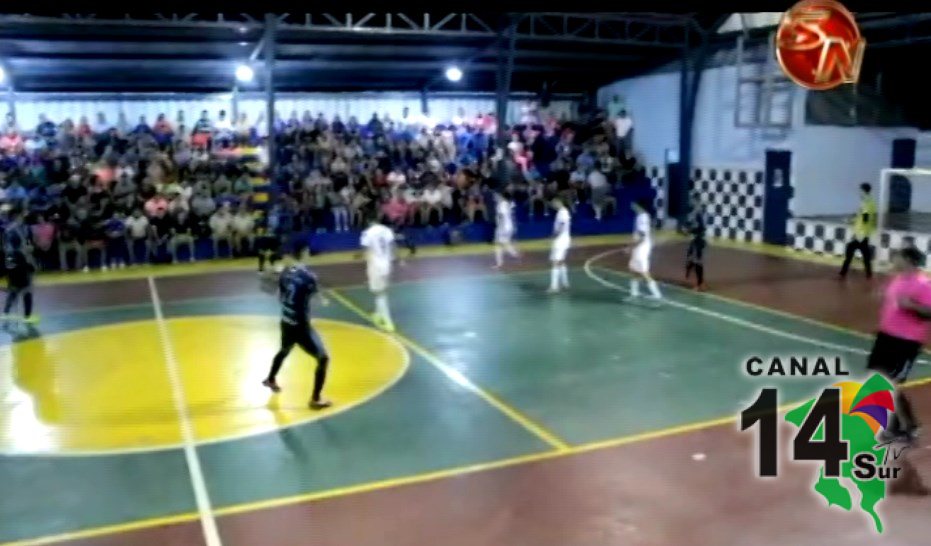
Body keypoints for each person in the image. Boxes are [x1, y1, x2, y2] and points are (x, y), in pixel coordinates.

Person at [870, 246, 931, 444]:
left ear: (908, 260)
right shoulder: (897, 280)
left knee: (893, 383)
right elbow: (892, 305)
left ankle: (907, 426)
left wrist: (912, 306)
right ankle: (897, 427)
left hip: (906, 342)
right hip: (886, 337)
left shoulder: (924, 284)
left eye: (898, 257)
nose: (894, 259)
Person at [262, 246, 332, 410]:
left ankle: (270, 379)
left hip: (286, 321)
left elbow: (280, 296)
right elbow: (312, 299)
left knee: (285, 349)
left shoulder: (285, 272)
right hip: (301, 326)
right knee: (323, 358)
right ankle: (315, 399)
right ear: (305, 254)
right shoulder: (309, 278)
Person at [360, 214, 396, 332]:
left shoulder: (367, 233)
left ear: (369, 221)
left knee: (380, 293)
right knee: (381, 291)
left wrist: (368, 268)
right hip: (387, 263)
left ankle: (387, 321)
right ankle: (378, 314)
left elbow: (366, 251)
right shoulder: (387, 230)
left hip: (375, 265)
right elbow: (392, 246)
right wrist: (392, 260)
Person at [2, 207, 38, 323]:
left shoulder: (10, 229)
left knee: (15, 287)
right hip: (20, 260)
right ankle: (27, 316)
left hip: (11, 260)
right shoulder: (17, 230)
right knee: (27, 287)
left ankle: (6, 312)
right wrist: (29, 257)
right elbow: (23, 247)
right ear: (17, 216)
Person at [626, 200, 663, 305]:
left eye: (635, 204)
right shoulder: (643, 216)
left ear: (640, 206)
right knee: (633, 269)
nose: (632, 205)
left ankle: (657, 295)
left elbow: (642, 236)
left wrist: (631, 247)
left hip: (641, 247)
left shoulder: (642, 217)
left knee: (643, 271)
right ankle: (634, 293)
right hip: (640, 246)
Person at [839, 182, 876, 280]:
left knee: (851, 250)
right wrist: (850, 220)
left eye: (860, 191)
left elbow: (865, 219)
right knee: (864, 254)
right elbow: (861, 217)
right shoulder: (867, 202)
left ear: (864, 191)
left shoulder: (867, 203)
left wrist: (859, 234)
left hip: (861, 234)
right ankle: (868, 274)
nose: (859, 193)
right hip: (863, 233)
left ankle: (843, 273)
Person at [547, 197, 571, 294]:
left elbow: (561, 226)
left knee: (555, 262)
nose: (553, 204)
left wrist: (553, 236)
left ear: (560, 202)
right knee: (560, 261)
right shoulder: (562, 212)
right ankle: (565, 283)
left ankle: (554, 287)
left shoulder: (563, 212)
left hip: (561, 240)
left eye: (554, 202)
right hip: (562, 240)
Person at [493, 190, 520, 269]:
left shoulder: (502, 204)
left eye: (498, 196)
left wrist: (501, 228)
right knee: (502, 243)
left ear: (502, 196)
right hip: (509, 226)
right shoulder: (508, 203)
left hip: (503, 227)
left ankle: (514, 254)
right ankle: (501, 262)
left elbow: (502, 216)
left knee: (500, 243)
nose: (496, 197)